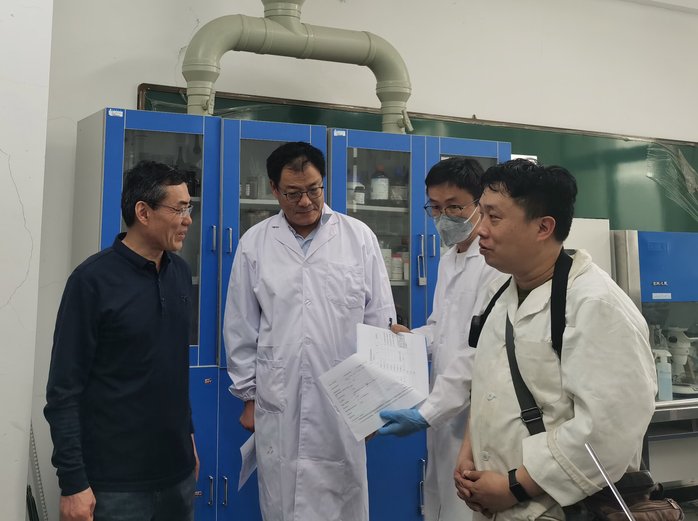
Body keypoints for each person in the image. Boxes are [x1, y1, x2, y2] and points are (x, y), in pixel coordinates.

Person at [454, 159, 657, 520]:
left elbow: (607, 431)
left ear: (543, 227)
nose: (479, 229)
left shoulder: (595, 304)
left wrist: (515, 486)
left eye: (493, 217)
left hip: (560, 509)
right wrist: (468, 452)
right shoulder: (499, 292)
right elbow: (490, 387)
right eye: (480, 213)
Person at [223, 141, 396, 521]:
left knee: (343, 499)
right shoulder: (255, 244)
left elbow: (379, 320)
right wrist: (248, 396)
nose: (305, 201)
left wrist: (372, 405)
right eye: (293, 193)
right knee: (284, 499)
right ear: (274, 190)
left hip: (344, 400)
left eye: (313, 190)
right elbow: (240, 327)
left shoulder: (358, 237)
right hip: (279, 397)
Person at [44, 161, 199, 521]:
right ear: (143, 212)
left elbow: (172, 372)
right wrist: (73, 483)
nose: (188, 219)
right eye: (179, 209)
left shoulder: (179, 273)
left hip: (177, 475)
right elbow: (63, 391)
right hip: (115, 486)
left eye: (189, 207)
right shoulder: (91, 281)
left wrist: (189, 440)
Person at [377, 157, 500, 521]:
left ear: (480, 204)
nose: (444, 217)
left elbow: (479, 351)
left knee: (465, 509)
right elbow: (441, 328)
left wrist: (427, 413)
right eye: (435, 207)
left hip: (472, 417)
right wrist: (411, 339)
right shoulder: (449, 260)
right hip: (444, 413)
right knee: (440, 503)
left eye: (454, 207)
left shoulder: (494, 265)